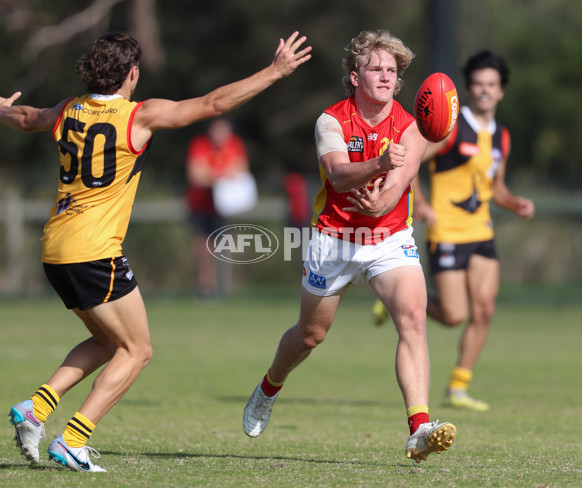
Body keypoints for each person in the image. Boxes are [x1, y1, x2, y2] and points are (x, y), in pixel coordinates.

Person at [2, 31, 311, 472]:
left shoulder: (68, 110)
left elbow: (29, 116)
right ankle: (73, 439)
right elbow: (213, 105)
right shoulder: (138, 116)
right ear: (132, 74)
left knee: (110, 342)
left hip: (55, 248)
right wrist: (274, 71)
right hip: (93, 250)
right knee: (138, 350)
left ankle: (35, 408)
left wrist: (1, 108)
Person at [242, 30, 456, 464]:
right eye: (375, 68)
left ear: (399, 83)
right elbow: (338, 176)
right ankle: (268, 387)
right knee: (309, 335)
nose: (384, 76)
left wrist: (382, 199)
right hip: (335, 238)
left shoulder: (413, 127)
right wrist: (379, 164)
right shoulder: (332, 121)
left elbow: (399, 184)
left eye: (392, 71)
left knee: (414, 318)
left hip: (389, 238)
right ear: (355, 76)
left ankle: (419, 428)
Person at [372, 50, 535, 411]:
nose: (484, 91)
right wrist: (423, 203)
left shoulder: (502, 137)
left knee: (485, 310)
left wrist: (515, 203)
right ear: (467, 89)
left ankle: (458, 387)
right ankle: (393, 301)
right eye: (477, 84)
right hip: (445, 231)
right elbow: (409, 164)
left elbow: (497, 188)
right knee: (454, 315)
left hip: (481, 231)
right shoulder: (448, 128)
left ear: (501, 91)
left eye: (491, 85)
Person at [186, 117, 249, 297]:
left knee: (226, 248)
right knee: (203, 249)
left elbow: (241, 170)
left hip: (225, 208)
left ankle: (225, 287)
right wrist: (222, 174)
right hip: (200, 206)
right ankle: (205, 288)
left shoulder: (235, 144)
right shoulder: (200, 145)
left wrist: (214, 173)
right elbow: (196, 175)